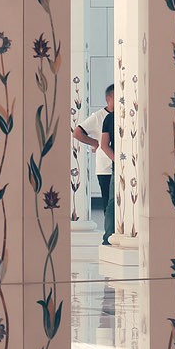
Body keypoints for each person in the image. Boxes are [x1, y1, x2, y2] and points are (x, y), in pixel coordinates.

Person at [73, 83, 116, 243]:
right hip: (105, 168)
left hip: (118, 166)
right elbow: (77, 133)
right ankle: (109, 236)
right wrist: (95, 143)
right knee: (109, 204)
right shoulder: (98, 116)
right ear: (108, 99)